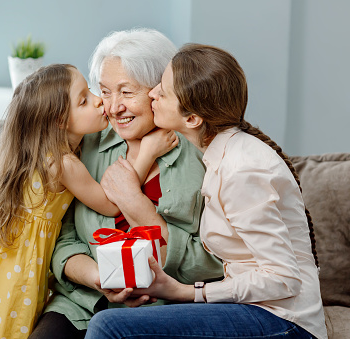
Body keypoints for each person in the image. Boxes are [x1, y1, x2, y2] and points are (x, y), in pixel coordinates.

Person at [87, 44, 327, 339]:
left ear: (191, 120)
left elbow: (283, 279)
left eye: (162, 91)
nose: (152, 94)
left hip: (283, 320)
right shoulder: (219, 156)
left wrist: (189, 292)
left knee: (108, 328)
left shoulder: (241, 170)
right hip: (250, 308)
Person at [30, 29, 224, 339]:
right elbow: (64, 242)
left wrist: (136, 205)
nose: (113, 107)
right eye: (105, 91)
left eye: (126, 92)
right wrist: (98, 278)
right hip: (85, 304)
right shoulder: (86, 144)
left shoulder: (202, 159)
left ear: (160, 90)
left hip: (168, 306)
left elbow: (214, 265)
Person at [0, 64, 177, 338]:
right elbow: (111, 204)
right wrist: (146, 153)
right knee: (13, 324)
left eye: (90, 90)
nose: (99, 100)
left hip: (9, 258)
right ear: (60, 121)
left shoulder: (51, 153)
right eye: (84, 100)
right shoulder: (63, 163)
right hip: (24, 261)